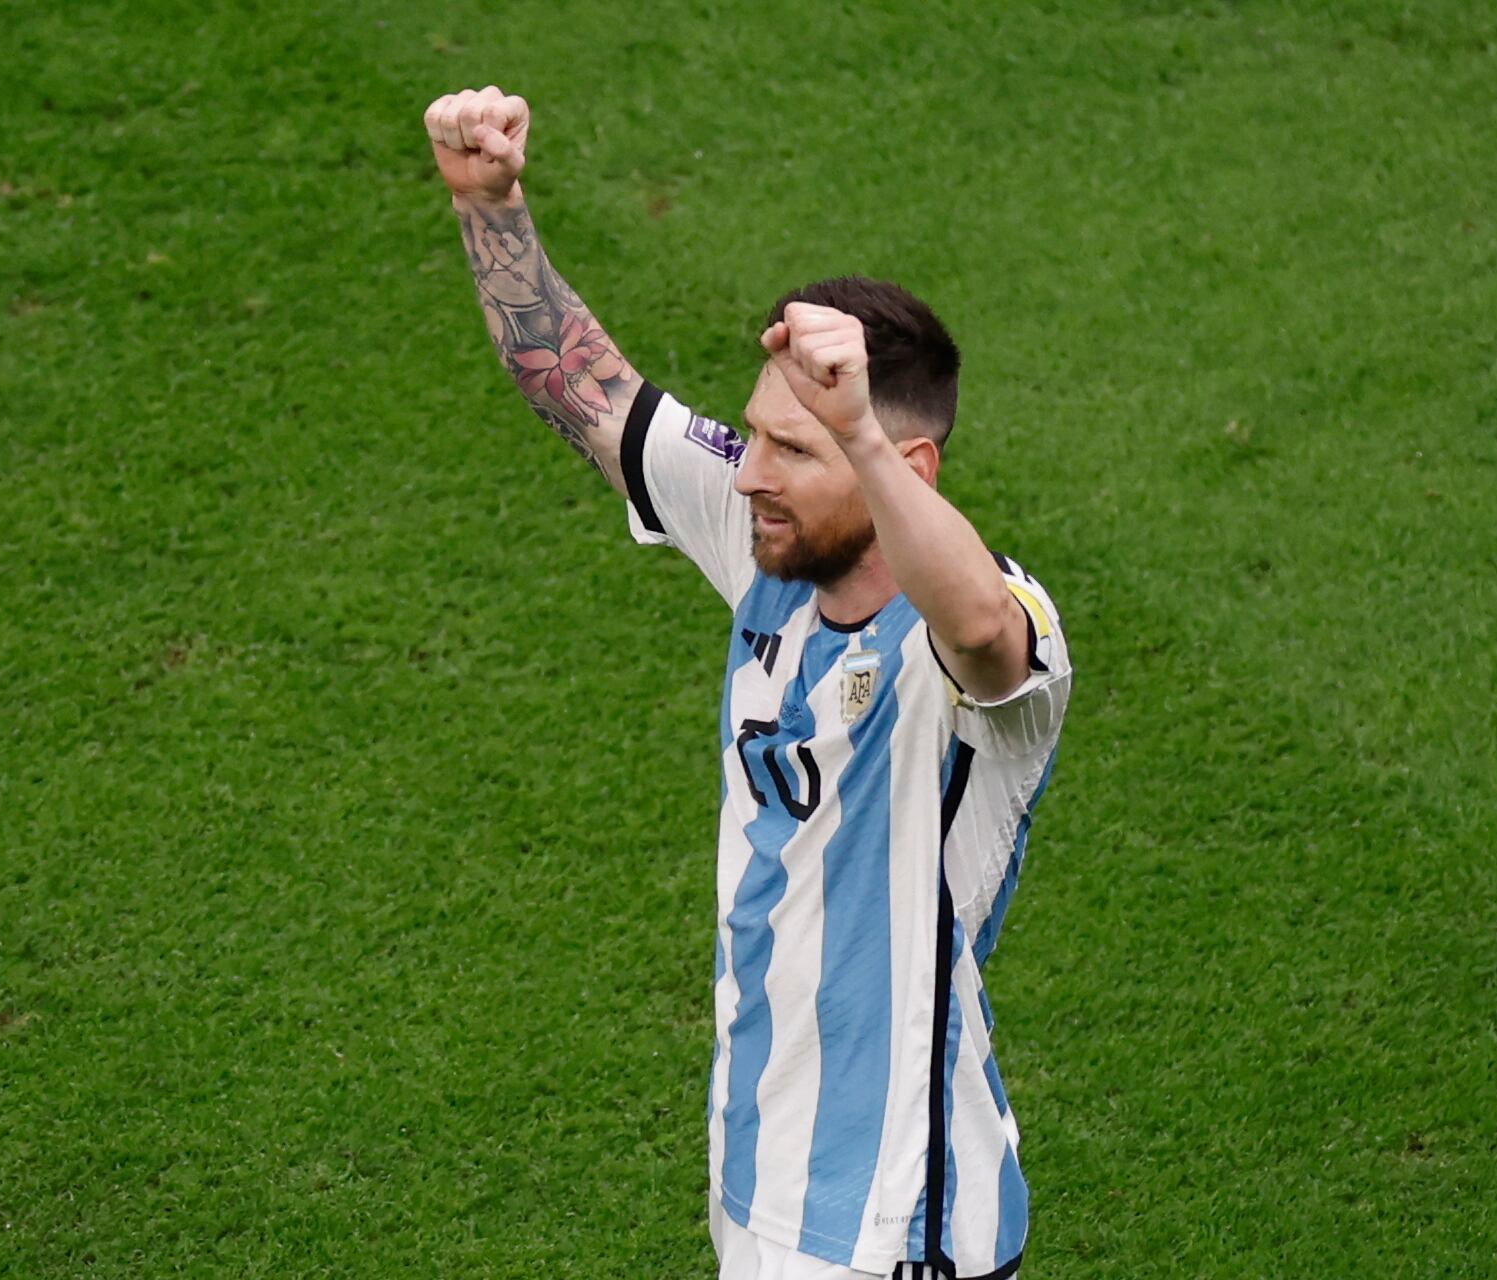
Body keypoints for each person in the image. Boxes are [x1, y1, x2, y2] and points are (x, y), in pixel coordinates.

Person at [425, 85, 1072, 1280]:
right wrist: (491, 205)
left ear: (903, 463)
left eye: (798, 447)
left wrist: (863, 440)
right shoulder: (768, 545)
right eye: (755, 434)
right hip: (765, 1182)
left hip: (895, 1223)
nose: (752, 471)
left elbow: (980, 625)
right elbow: (584, 387)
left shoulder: (986, 638)